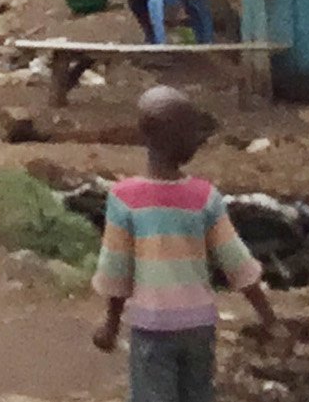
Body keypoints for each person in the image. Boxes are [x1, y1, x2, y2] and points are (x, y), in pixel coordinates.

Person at [90, 86, 279, 402]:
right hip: (197, 327)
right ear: (174, 138)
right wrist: (268, 317)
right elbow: (236, 262)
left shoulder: (124, 198)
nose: (197, 138)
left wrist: (110, 325)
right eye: (191, 130)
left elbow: (116, 270)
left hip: (152, 327)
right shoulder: (204, 196)